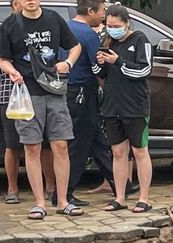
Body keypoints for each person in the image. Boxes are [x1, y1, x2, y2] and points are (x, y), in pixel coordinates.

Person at [0, 0, 82, 217]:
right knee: (31, 147)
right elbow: (3, 60)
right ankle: (39, 202)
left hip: (55, 90)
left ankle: (62, 201)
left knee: (61, 145)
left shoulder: (54, 18)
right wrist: (12, 72)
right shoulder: (10, 24)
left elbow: (75, 46)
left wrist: (68, 63)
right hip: (27, 93)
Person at [97, 3, 149, 212]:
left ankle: (144, 197)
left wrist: (118, 61)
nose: (112, 28)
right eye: (109, 25)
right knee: (118, 152)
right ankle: (119, 196)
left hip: (135, 106)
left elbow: (143, 70)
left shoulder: (139, 40)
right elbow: (99, 73)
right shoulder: (106, 40)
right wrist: (101, 61)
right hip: (111, 105)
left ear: (126, 23)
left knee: (139, 151)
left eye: (116, 25)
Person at [62, 0, 108, 203]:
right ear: (91, 11)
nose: (103, 15)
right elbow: (97, 68)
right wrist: (108, 92)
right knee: (79, 144)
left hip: (68, 90)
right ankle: (65, 192)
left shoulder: (65, 27)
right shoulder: (88, 34)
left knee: (97, 139)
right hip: (83, 91)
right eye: (102, 11)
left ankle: (119, 182)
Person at [0, 0, 28, 204]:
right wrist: (6, 81)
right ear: (14, 4)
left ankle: (50, 187)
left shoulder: (43, 24)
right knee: (12, 143)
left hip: (38, 91)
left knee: (44, 143)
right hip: (10, 93)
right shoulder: (0, 29)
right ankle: (12, 188)